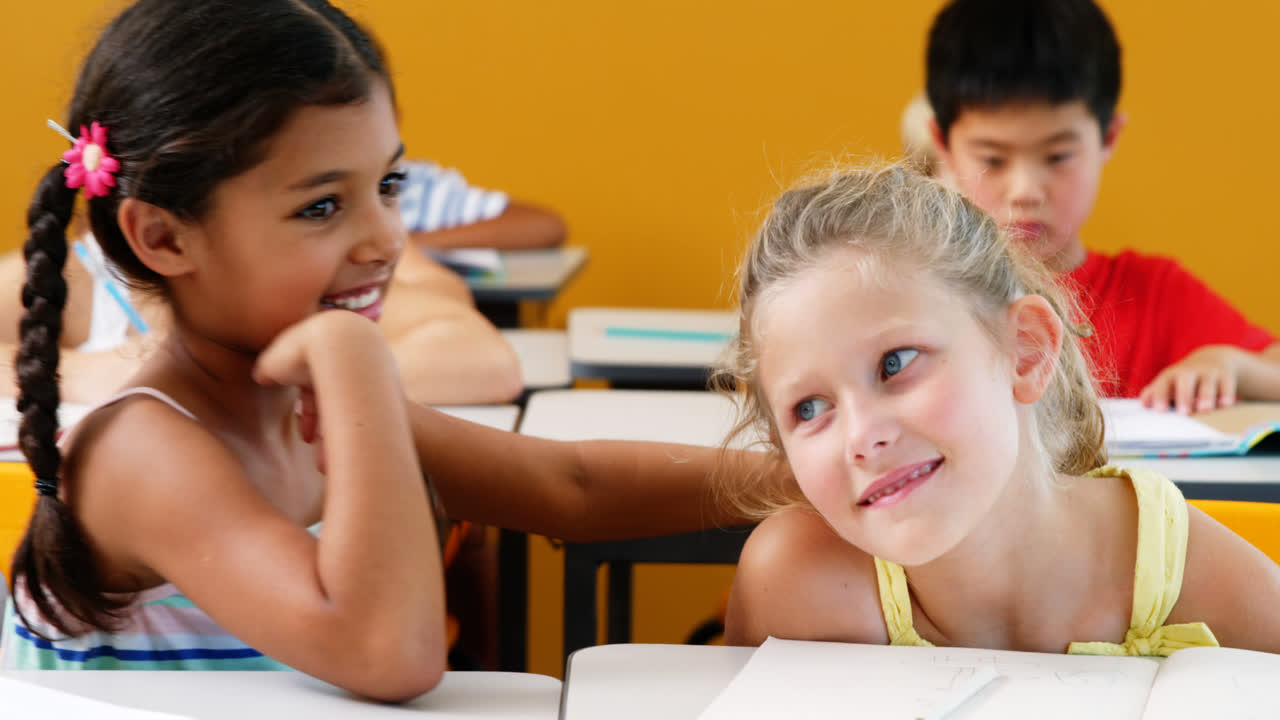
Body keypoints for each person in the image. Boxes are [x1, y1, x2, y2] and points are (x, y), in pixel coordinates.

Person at [0, 0, 781, 698]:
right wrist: (357, 364)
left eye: (390, 185)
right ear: (164, 236)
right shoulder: (143, 450)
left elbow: (569, 484)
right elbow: (387, 655)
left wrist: (815, 479)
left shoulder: (299, 408)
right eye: (322, 206)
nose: (385, 240)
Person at [721, 165, 1280, 655]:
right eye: (810, 407)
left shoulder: (1200, 583)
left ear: (1026, 351)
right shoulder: (798, 593)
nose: (862, 437)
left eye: (895, 364)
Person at [923, 0, 1280, 412]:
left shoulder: (1153, 297)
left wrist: (1232, 365)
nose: (1024, 192)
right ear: (943, 145)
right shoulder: (916, 296)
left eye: (1057, 157)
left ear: (1108, 137)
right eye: (992, 160)